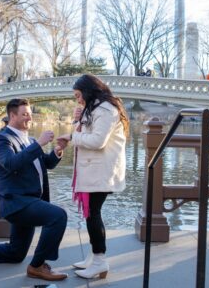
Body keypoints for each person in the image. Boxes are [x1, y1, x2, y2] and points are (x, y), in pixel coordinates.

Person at [0, 98, 69, 282]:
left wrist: (57, 151)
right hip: (15, 203)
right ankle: (37, 266)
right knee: (58, 216)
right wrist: (38, 144)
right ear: (12, 115)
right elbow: (10, 164)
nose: (29, 118)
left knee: (15, 254)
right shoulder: (2, 139)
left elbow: (45, 163)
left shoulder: (29, 139)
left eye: (30, 114)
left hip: (30, 201)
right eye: (24, 114)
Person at [58, 74, 129, 280]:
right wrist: (77, 120)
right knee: (92, 214)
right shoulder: (96, 108)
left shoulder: (106, 110)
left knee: (93, 214)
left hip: (101, 172)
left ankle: (99, 260)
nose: (77, 100)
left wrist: (72, 136)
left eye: (78, 95)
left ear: (88, 91)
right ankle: (94, 256)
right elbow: (85, 134)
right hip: (94, 170)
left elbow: (98, 141)